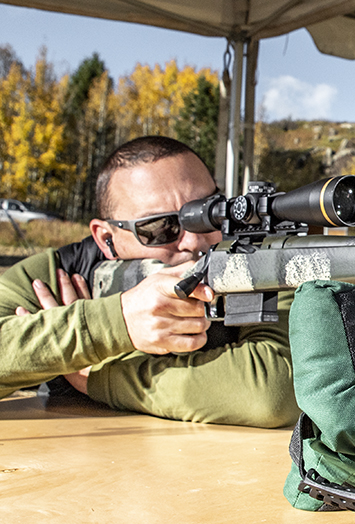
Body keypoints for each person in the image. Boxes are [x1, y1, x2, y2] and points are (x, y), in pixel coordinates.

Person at [0, 136, 299, 427]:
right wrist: (116, 323)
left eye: (209, 213)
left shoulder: (255, 260)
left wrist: (100, 375)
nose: (194, 241)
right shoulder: (61, 274)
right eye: (161, 227)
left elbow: (273, 392)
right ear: (106, 238)